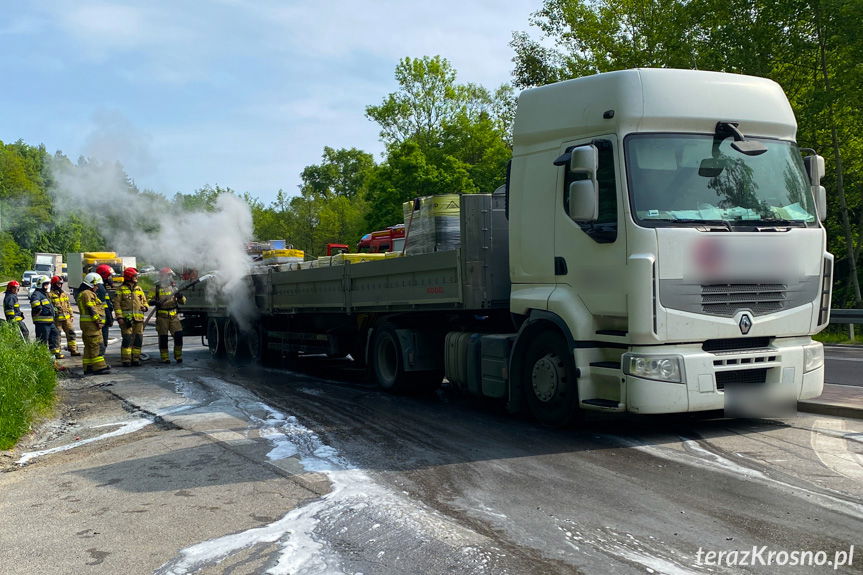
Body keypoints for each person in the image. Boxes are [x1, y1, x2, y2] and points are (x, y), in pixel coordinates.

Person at [149, 267, 186, 364]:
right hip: (162, 318)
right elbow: (148, 301)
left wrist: (180, 296)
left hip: (174, 317)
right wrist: (154, 302)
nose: (170, 278)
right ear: (163, 276)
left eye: (171, 276)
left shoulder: (174, 288)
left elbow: (183, 302)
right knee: (163, 338)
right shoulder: (156, 288)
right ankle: (165, 357)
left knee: (178, 336)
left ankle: (178, 356)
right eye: (169, 275)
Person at [113, 267, 148, 367]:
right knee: (127, 339)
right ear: (129, 277)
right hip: (126, 320)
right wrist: (119, 317)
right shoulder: (120, 289)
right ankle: (126, 360)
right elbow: (117, 304)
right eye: (135, 276)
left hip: (138, 320)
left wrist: (145, 307)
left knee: (138, 339)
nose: (136, 277)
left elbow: (145, 302)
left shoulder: (139, 289)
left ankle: (135, 359)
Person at [76, 272, 111, 375]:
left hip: (87, 325)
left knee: (89, 346)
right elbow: (91, 308)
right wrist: (98, 321)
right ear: (92, 284)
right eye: (96, 285)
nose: (97, 287)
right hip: (92, 325)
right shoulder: (88, 293)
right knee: (96, 345)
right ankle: (99, 367)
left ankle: (88, 367)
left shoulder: (83, 293)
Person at [30, 276, 63, 358]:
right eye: (47, 284)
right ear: (43, 285)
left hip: (49, 322)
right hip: (42, 322)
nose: (49, 285)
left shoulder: (44, 294)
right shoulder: (37, 294)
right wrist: (39, 309)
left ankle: (54, 354)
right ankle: (40, 357)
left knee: (55, 334)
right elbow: (35, 303)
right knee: (42, 340)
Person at [49, 276, 80, 356]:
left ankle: (73, 350)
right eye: (58, 284)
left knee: (71, 333)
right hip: (57, 320)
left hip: (67, 318)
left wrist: (71, 315)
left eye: (61, 284)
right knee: (57, 335)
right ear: (53, 284)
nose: (60, 285)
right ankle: (57, 352)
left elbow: (68, 305)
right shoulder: (50, 295)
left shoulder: (63, 294)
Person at [95, 264, 115, 356]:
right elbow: (105, 306)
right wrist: (110, 319)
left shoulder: (101, 287)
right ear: (104, 276)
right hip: (103, 320)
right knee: (102, 342)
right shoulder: (101, 289)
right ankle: (99, 363)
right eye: (110, 276)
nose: (111, 278)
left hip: (101, 320)